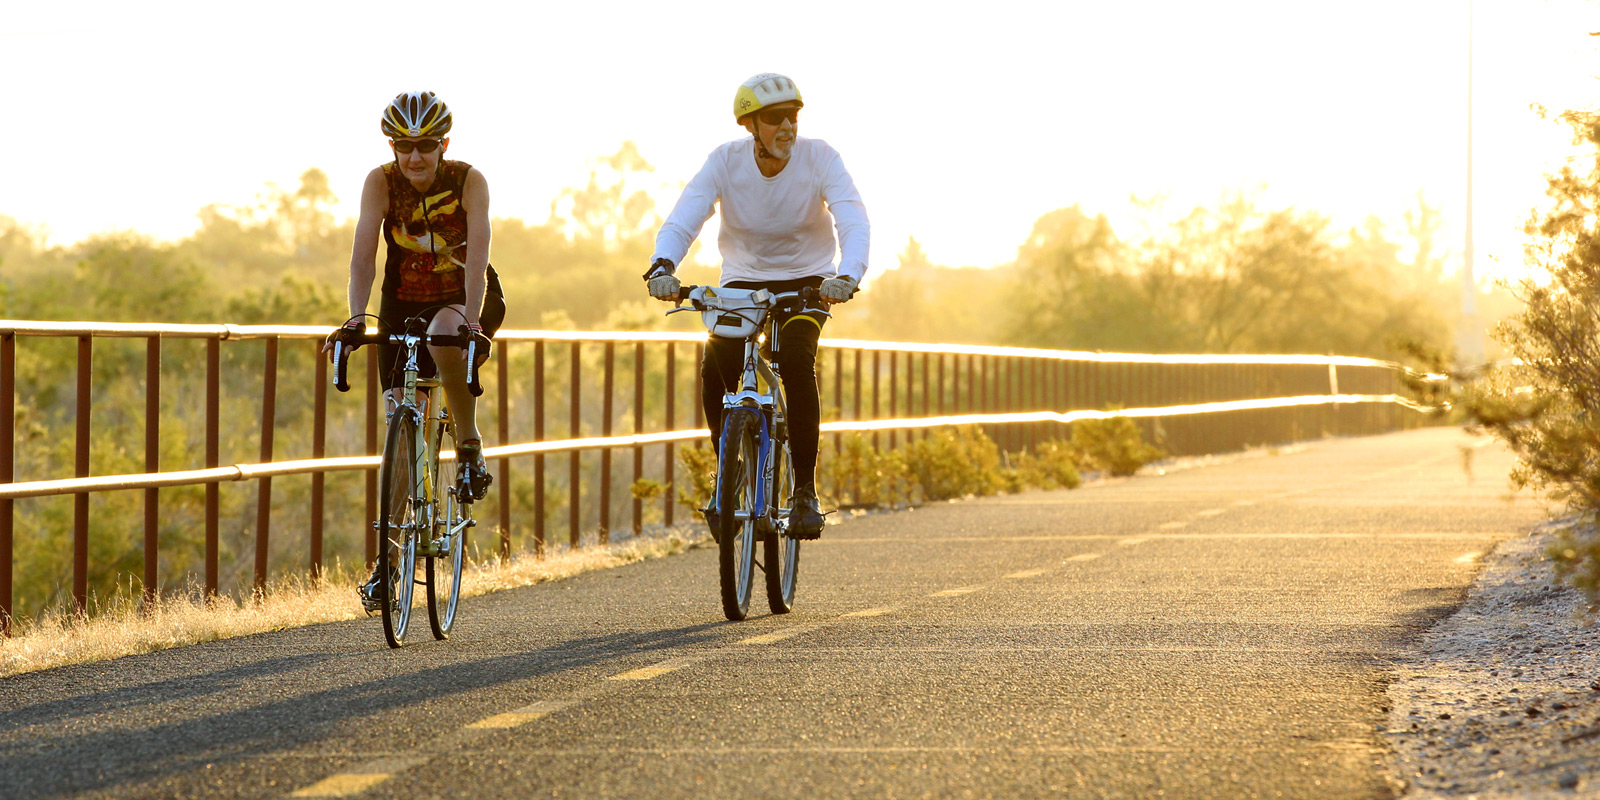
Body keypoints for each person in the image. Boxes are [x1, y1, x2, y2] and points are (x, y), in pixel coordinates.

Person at [645, 73, 868, 540]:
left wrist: (847, 275)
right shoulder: (725, 162)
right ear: (751, 125)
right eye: (774, 119)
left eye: (793, 116)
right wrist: (662, 264)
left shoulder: (820, 157)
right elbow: (686, 215)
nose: (787, 126)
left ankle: (804, 491)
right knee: (715, 366)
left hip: (809, 281)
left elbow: (850, 214)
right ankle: (730, 470)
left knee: (796, 359)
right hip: (744, 279)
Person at [327, 90, 506, 609]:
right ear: (392, 146)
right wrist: (357, 319)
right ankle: (386, 564)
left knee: (443, 336)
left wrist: (471, 320)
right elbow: (364, 254)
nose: (415, 157)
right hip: (401, 300)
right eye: (404, 146)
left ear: (443, 143)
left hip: (463, 295)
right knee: (401, 433)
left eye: (426, 145)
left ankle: (469, 443)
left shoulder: (468, 180)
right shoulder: (380, 182)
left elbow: (479, 252)